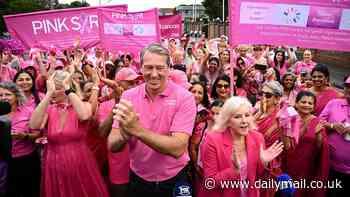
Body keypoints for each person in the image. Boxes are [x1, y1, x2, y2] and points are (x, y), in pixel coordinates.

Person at [108, 43, 196, 197]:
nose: (154, 74)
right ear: (141, 68)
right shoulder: (128, 96)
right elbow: (112, 145)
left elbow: (177, 148)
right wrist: (124, 135)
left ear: (169, 69)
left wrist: (137, 131)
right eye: (149, 67)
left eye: (160, 68)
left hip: (175, 178)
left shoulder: (185, 98)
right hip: (139, 179)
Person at [29, 70, 109, 197]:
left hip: (78, 161)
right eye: (52, 88)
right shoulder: (50, 109)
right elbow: (33, 125)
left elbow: (84, 115)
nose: (54, 91)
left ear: (68, 88)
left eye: (58, 88)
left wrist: (67, 89)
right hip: (53, 163)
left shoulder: (82, 106)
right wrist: (48, 94)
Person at [200, 96, 284, 197]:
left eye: (247, 115)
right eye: (237, 117)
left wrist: (264, 163)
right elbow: (210, 182)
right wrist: (233, 171)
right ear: (228, 120)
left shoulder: (257, 138)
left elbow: (260, 180)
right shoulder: (212, 140)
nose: (244, 121)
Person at [254, 80, 300, 197]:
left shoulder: (284, 115)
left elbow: (288, 147)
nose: (263, 97)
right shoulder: (256, 111)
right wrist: (259, 113)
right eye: (262, 94)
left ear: (277, 98)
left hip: (268, 164)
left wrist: (285, 126)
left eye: (268, 95)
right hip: (249, 159)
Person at [283, 91, 329, 197]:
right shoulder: (289, 119)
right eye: (303, 102)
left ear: (313, 107)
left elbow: (321, 149)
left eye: (310, 103)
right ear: (297, 103)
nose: (306, 105)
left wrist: (317, 134)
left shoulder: (317, 122)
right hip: (287, 163)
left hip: (306, 167)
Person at [0, 82, 41, 197]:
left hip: (26, 160)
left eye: (7, 94)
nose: (3, 98)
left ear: (16, 95)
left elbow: (38, 134)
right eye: (0, 95)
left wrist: (24, 136)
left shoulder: (28, 111)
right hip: (4, 162)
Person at [319, 75, 350, 197]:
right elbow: (319, 122)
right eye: (347, 86)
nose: (349, 90)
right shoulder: (334, 103)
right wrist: (332, 126)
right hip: (331, 165)